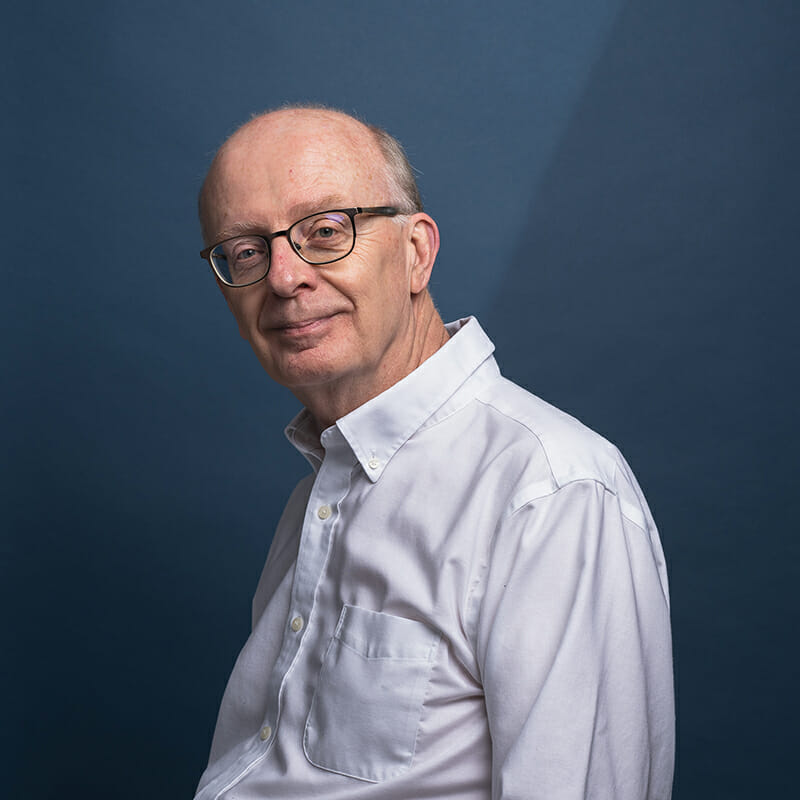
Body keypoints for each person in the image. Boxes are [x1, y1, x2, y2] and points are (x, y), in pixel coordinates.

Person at [193, 105, 674, 800]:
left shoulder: (548, 493)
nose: (283, 278)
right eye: (246, 251)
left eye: (325, 232)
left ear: (416, 252)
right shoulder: (322, 491)